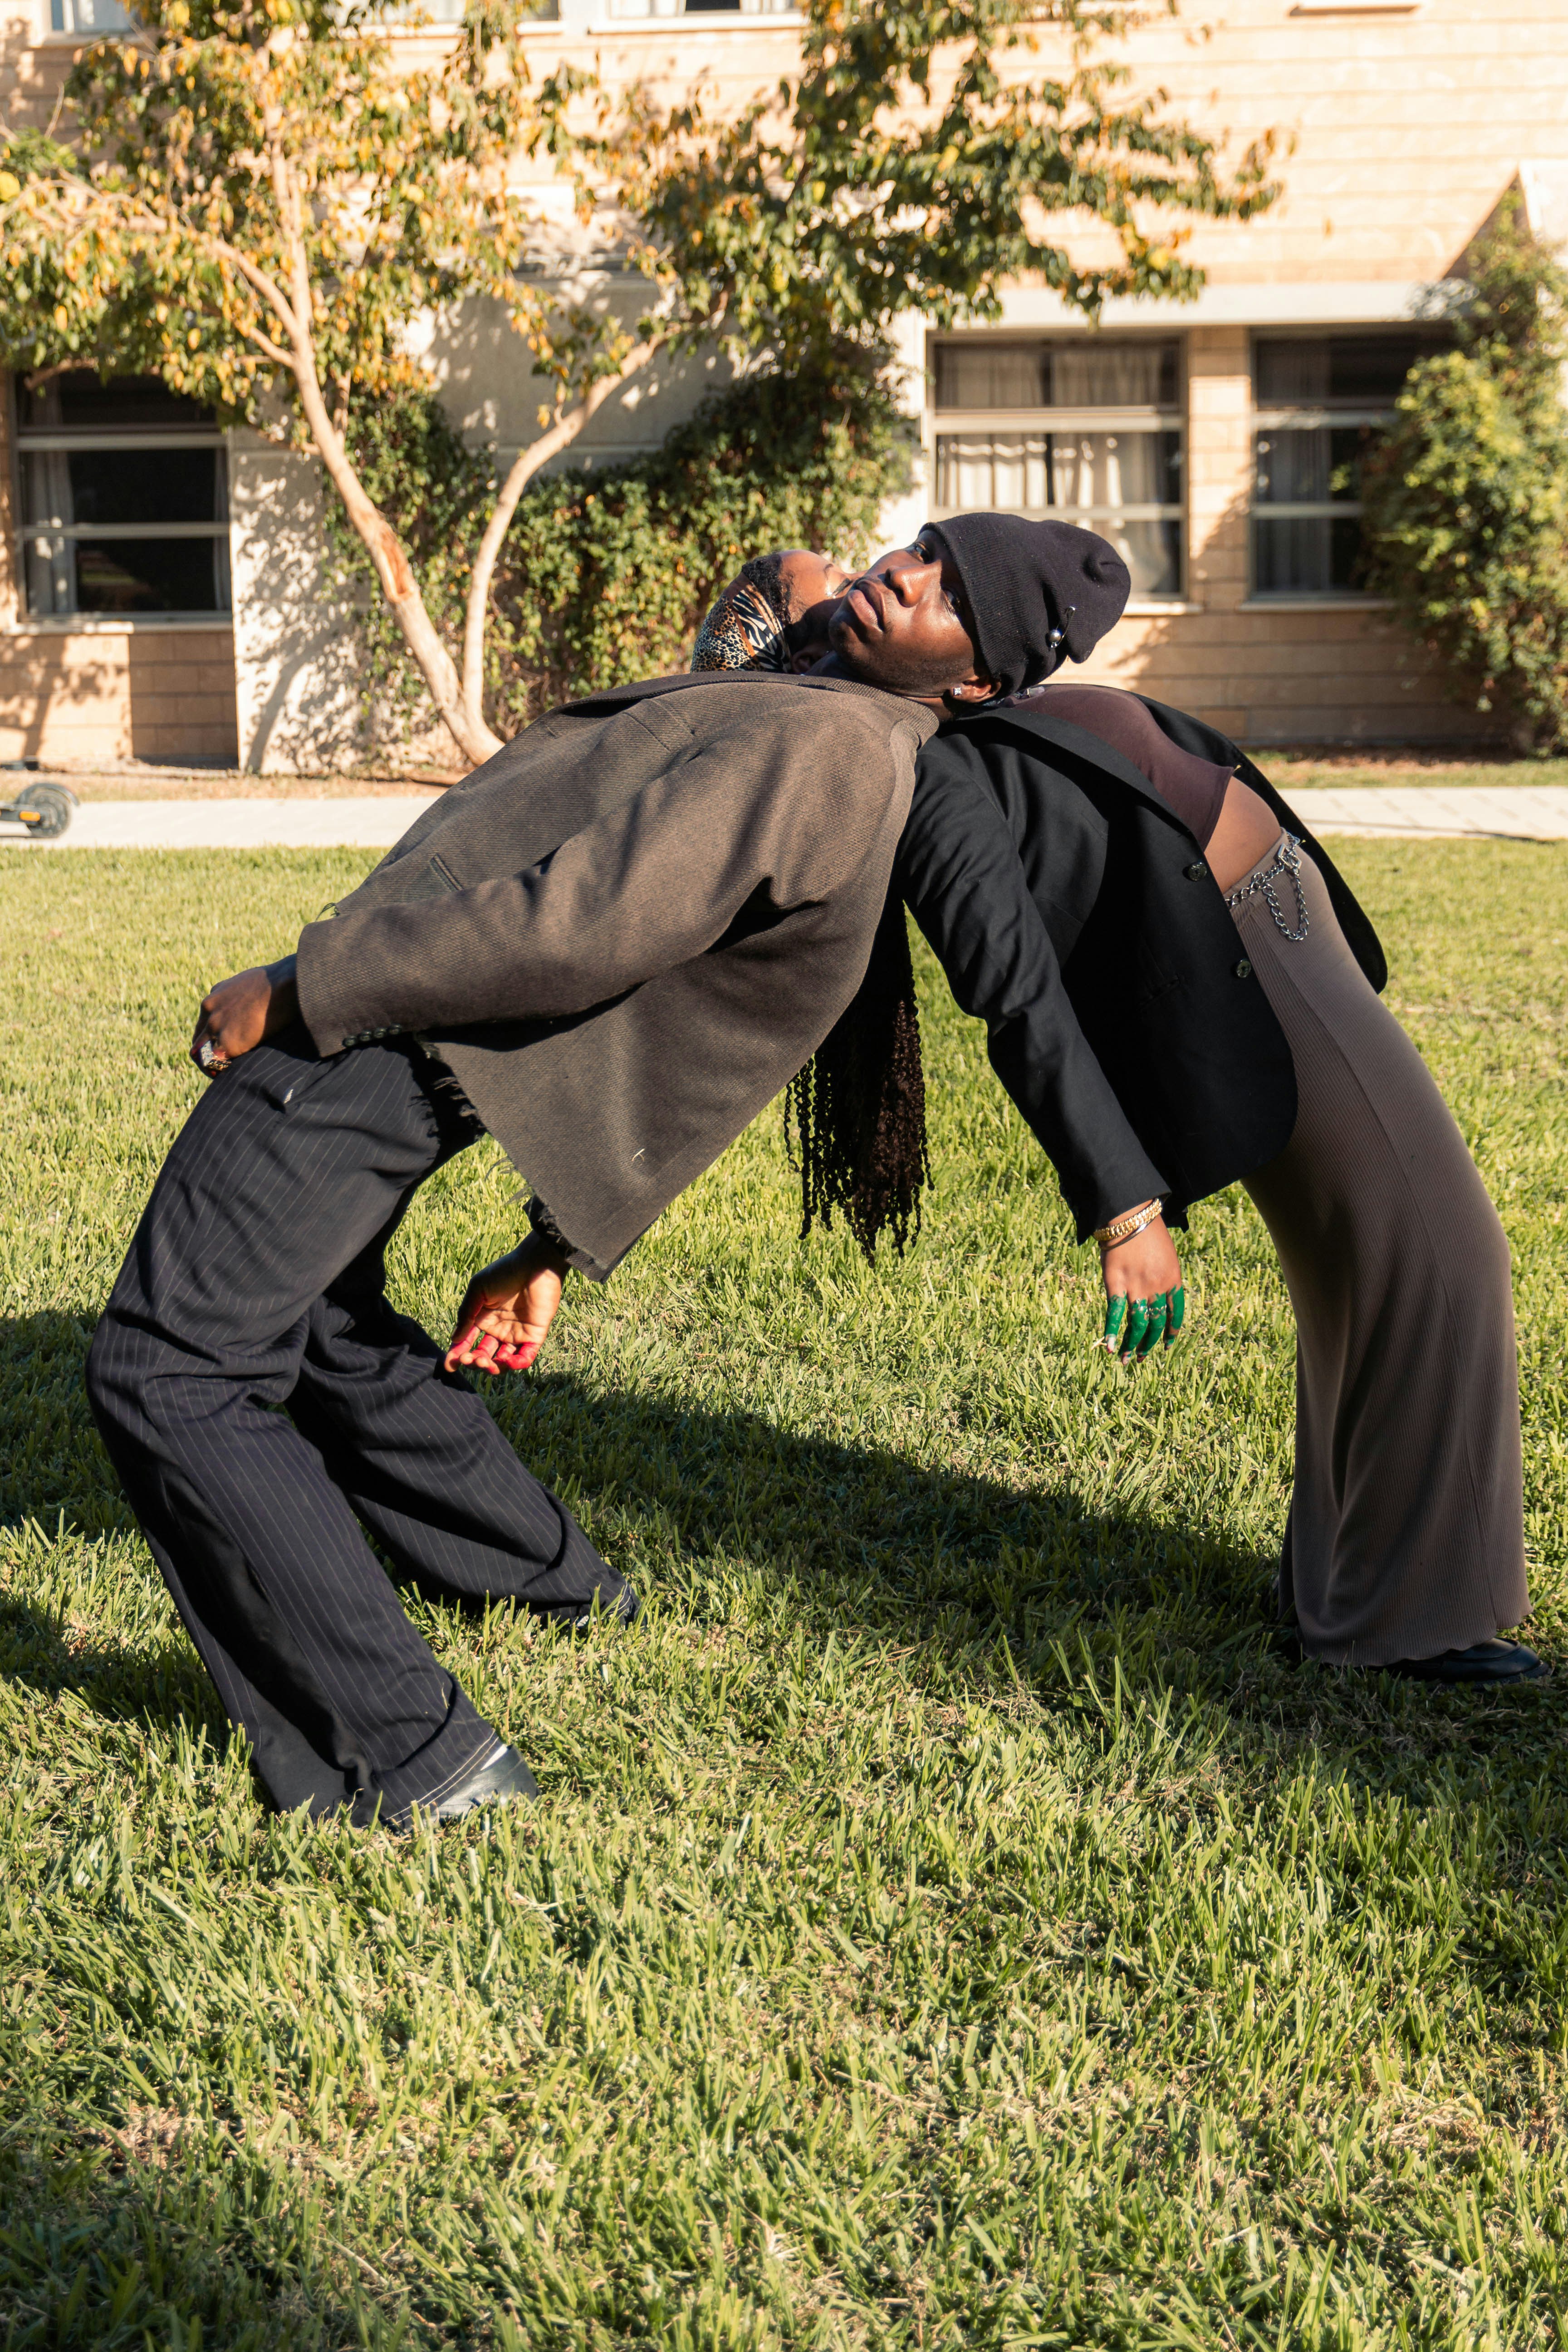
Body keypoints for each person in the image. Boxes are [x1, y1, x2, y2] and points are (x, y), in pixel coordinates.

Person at [85, 663, 948, 1831]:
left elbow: (593, 923)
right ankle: (551, 1583)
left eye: (932, 577)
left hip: (391, 1026)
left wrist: (307, 986)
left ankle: (420, 1755)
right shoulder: (844, 726)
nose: (882, 580)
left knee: (172, 1368)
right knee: (323, 1322)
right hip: (428, 1027)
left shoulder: (830, 741)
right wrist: (547, 1248)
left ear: (983, 663)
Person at [691, 519, 1539, 1686]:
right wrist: (1125, 1208)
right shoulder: (921, 767)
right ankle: (1413, 1627)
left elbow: (1079, 565)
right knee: (1448, 1254)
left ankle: (1348, 1593)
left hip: (1283, 929)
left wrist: (1010, 594)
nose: (888, 576)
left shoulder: (950, 706)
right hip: (1258, 959)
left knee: (1361, 1266)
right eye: (840, 605)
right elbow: (1014, 994)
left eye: (919, 563)